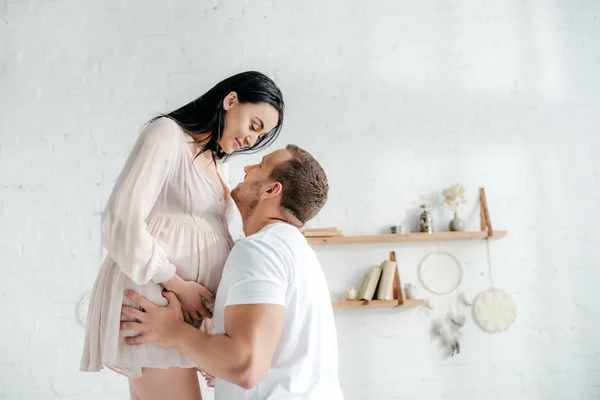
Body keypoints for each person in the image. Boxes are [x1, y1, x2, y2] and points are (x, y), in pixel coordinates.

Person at [79, 71, 285, 400]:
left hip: (184, 307)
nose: (252, 140)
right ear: (231, 100)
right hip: (158, 294)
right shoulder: (167, 134)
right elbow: (121, 219)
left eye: (260, 137)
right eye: (254, 125)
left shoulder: (218, 161)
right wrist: (178, 284)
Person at [121, 145, 344, 400]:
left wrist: (174, 331)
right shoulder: (297, 251)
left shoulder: (261, 250)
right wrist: (211, 355)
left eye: (260, 165)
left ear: (271, 190)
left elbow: (246, 366)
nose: (247, 168)